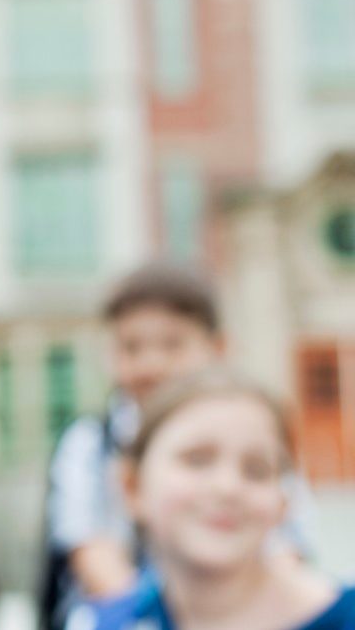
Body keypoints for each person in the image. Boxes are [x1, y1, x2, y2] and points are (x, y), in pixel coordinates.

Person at [40, 262, 312, 629]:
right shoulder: (91, 444)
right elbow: (91, 551)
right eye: (131, 347)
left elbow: (284, 548)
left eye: (173, 344)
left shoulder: (259, 432)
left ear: (218, 347)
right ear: (131, 483)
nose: (152, 363)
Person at [86, 367, 355, 630]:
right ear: (133, 487)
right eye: (197, 459)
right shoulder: (110, 621)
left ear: (284, 503)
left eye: (257, 470)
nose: (228, 488)